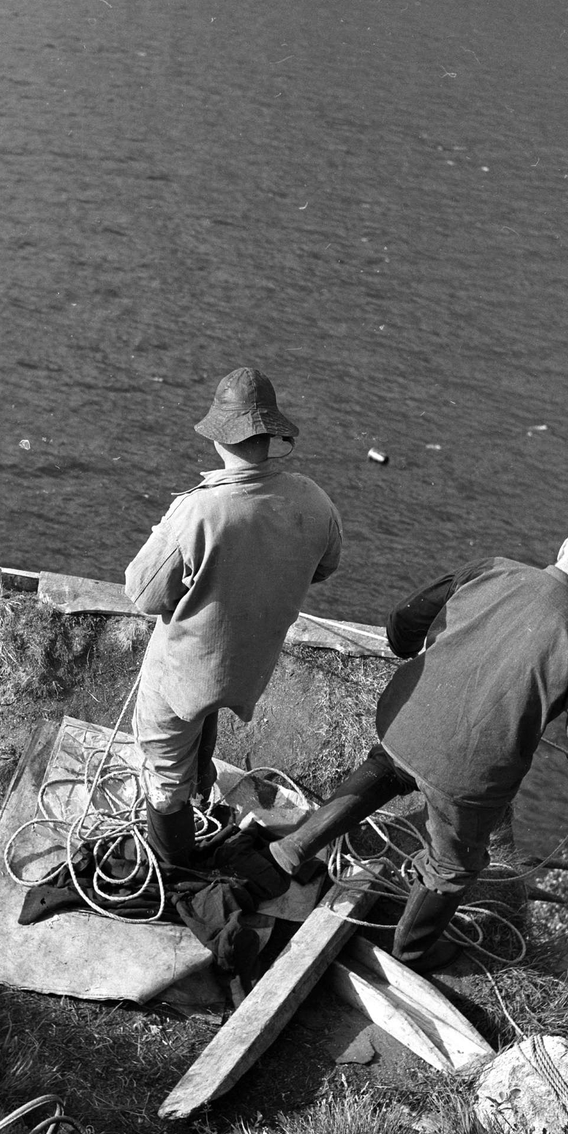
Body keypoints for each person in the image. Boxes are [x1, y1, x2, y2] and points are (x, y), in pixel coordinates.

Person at [269, 518, 568, 971]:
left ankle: (293, 848)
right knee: (452, 865)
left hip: (406, 718)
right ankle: (410, 952)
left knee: (387, 767)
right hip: (468, 772)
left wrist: (404, 645)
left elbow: (407, 619)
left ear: (565, 546)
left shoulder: (491, 568)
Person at [124, 367, 343, 869]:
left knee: (164, 768)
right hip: (247, 666)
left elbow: (142, 593)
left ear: (220, 435)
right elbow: (325, 567)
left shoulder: (199, 510)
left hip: (184, 666)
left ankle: (175, 864)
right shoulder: (313, 498)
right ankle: (202, 793)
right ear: (269, 434)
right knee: (206, 710)